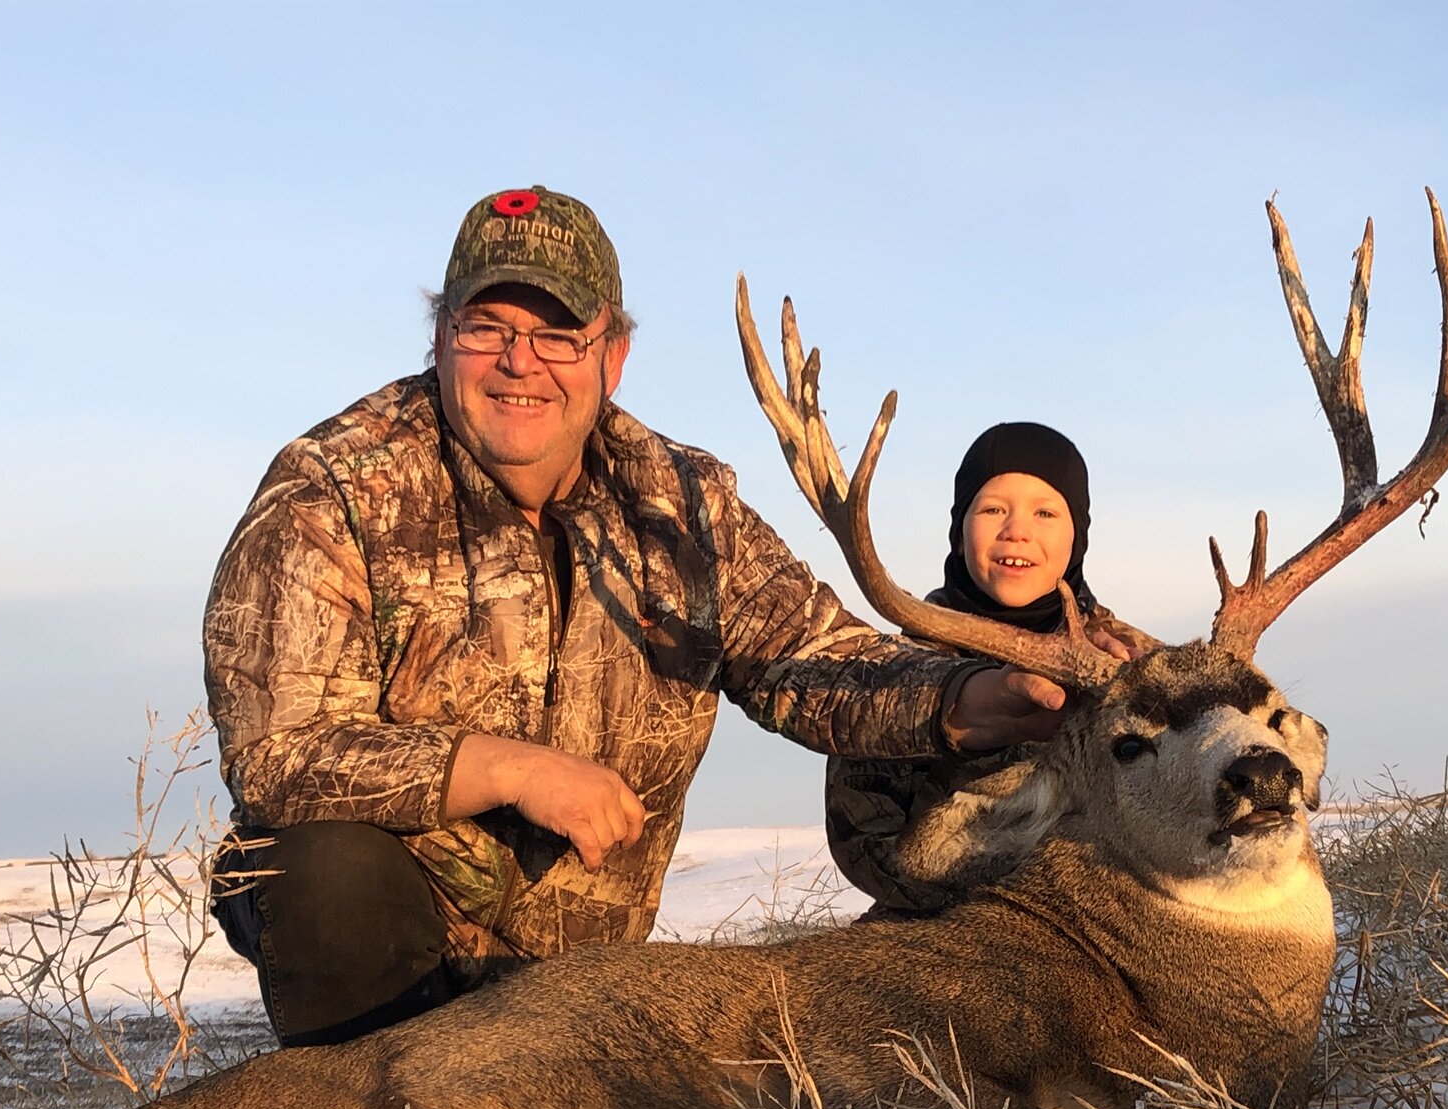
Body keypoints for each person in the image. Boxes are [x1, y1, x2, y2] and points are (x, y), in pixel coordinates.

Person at [203, 186, 1073, 1046]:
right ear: (440, 338)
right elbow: (280, 755)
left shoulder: (682, 502)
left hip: (576, 976)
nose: (520, 362)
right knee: (323, 870)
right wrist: (510, 769)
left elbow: (814, 656)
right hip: (391, 938)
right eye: (487, 328)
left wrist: (975, 694)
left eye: (556, 335)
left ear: (611, 356)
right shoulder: (330, 489)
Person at [825, 422, 1149, 915]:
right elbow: (864, 839)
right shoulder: (898, 670)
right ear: (960, 530)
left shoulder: (1132, 660)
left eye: (1046, 512)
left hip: (1116, 917)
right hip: (946, 924)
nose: (1017, 530)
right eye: (993, 508)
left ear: (1077, 537)